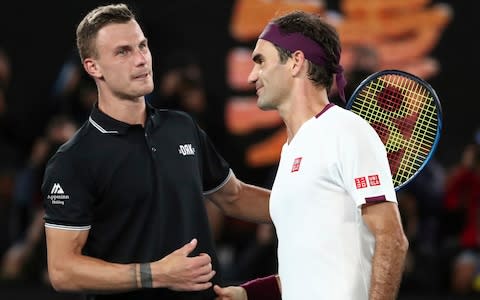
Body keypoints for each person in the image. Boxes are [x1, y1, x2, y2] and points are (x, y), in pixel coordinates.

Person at [41, 4, 271, 300]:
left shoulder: (181, 127)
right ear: (93, 67)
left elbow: (234, 196)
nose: (141, 60)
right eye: (123, 52)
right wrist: (155, 274)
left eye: (142, 46)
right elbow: (63, 271)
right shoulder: (73, 160)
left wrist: (316, 206)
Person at [214, 11, 409, 300]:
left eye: (261, 61)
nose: (252, 74)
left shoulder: (346, 130)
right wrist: (249, 294)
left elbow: (392, 239)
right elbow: (308, 269)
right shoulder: (293, 148)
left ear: (296, 62)